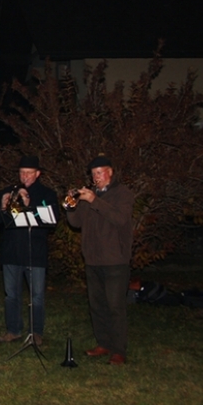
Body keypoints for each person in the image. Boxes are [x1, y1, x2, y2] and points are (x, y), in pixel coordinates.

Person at [65, 155, 135, 365]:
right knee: (97, 305)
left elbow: (119, 218)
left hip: (115, 260)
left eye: (100, 172)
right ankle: (103, 343)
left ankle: (118, 349)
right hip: (93, 259)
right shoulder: (90, 196)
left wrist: (94, 201)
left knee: (115, 306)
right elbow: (76, 223)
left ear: (110, 172)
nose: (96, 177)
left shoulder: (122, 194)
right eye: (93, 174)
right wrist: (70, 206)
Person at [0, 155, 59, 346]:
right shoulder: (9, 191)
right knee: (11, 295)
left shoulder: (47, 194)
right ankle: (13, 330)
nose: (25, 176)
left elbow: (51, 219)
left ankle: (36, 332)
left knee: (36, 296)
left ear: (38, 174)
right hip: (11, 252)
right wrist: (3, 206)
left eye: (29, 172)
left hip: (35, 253)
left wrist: (30, 206)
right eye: (22, 172)